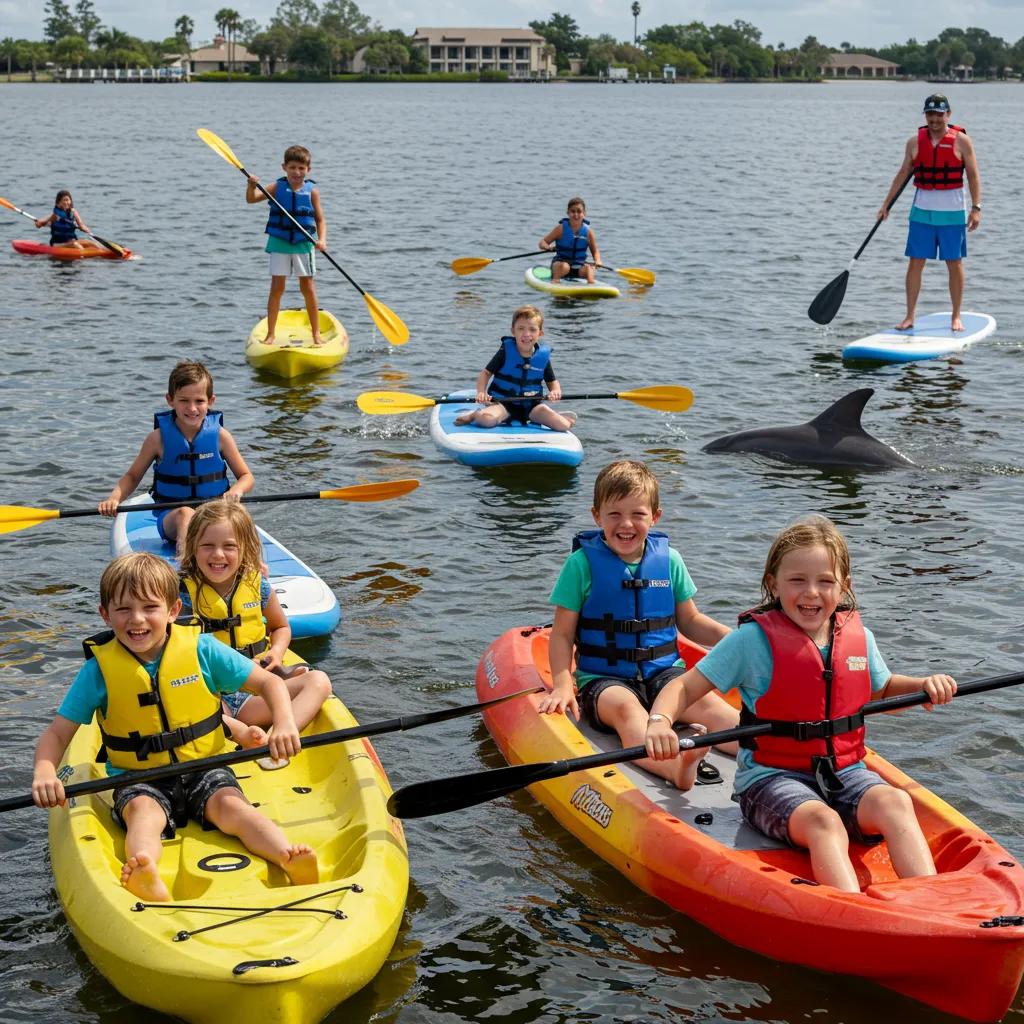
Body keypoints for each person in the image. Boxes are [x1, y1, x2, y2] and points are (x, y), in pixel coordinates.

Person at [645, 515, 957, 892]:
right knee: (824, 824)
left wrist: (924, 685)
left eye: (825, 581)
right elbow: (683, 688)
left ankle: (930, 901)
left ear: (844, 588)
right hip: (771, 779)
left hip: (846, 772)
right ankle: (851, 913)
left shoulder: (858, 637)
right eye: (797, 581)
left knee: (895, 802)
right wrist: (660, 722)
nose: (811, 593)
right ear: (772, 584)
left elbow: (883, 691)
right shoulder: (750, 642)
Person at [31, 552, 318, 902]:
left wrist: (285, 723)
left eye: (149, 608)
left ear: (172, 610)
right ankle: (145, 869)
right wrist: (45, 772)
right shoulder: (97, 673)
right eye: (123, 610)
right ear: (105, 615)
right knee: (142, 815)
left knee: (234, 808)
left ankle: (286, 854)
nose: (137, 620)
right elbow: (59, 733)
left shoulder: (203, 650)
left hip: (203, 768)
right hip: (138, 779)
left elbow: (270, 684)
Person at [539, 460, 739, 790]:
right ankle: (677, 768)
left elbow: (690, 620)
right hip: (604, 681)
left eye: (638, 514)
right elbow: (561, 635)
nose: (626, 524)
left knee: (710, 705)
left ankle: (771, 752)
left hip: (665, 673)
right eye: (614, 514)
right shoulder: (580, 565)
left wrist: (732, 639)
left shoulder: (669, 561)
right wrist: (562, 684)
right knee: (628, 711)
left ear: (655, 517)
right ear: (596, 516)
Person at [178, 500, 332, 753]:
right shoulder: (180, 593)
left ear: (244, 548)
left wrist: (277, 652)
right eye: (208, 546)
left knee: (319, 681)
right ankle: (238, 731)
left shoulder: (257, 585)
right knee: (191, 709)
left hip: (256, 691)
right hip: (210, 693)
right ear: (193, 547)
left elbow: (280, 627)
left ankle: (277, 738)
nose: (218, 555)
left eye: (229, 546)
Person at [98, 360, 254, 560]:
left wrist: (236, 490)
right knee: (185, 513)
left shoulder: (220, 436)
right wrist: (114, 499)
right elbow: (133, 475)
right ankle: (185, 562)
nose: (192, 408)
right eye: (184, 400)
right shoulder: (157, 439)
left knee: (240, 513)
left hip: (214, 511)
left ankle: (256, 567)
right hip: (172, 516)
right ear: (170, 400)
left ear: (211, 401)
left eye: (199, 401)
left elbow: (246, 476)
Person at [877, 94, 981, 333]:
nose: (934, 119)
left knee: (954, 263)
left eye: (939, 114)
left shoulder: (962, 141)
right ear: (925, 115)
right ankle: (909, 316)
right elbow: (903, 173)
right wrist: (886, 205)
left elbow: (974, 176)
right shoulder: (914, 142)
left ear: (948, 114)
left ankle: (956, 316)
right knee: (915, 262)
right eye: (930, 114)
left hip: (952, 213)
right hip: (922, 212)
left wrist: (976, 208)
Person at [246, 144, 327, 346]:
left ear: (308, 169)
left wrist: (322, 240)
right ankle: (271, 334)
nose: (297, 172)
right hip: (280, 242)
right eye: (292, 167)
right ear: (284, 167)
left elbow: (320, 219)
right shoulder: (276, 187)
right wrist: (251, 185)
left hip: (303, 244)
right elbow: (251, 200)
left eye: (301, 168)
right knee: (276, 288)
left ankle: (316, 333)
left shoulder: (312, 192)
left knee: (307, 288)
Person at [454, 304, 576, 432]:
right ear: (513, 331)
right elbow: (485, 373)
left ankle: (558, 418)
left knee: (563, 426)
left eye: (532, 330)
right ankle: (474, 414)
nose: (526, 334)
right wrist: (481, 392)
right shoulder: (505, 351)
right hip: (503, 404)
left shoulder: (542, 357)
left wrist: (555, 391)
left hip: (532, 407)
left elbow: (552, 382)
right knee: (485, 420)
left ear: (540, 333)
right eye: (521, 328)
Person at [539, 197, 602, 284]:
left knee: (589, 268)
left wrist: (598, 260)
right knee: (564, 266)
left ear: (584, 214)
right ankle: (555, 282)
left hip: (579, 266)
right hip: (561, 265)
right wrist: (547, 247)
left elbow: (595, 251)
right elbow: (542, 243)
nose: (576, 214)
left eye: (579, 211)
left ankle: (591, 287)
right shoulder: (560, 229)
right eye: (573, 211)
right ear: (568, 213)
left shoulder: (588, 232)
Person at [34, 190, 102, 251]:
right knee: (76, 245)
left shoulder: (73, 212)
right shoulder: (55, 215)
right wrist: (41, 222)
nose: (66, 202)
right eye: (64, 200)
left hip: (72, 241)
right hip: (57, 244)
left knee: (92, 244)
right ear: (58, 203)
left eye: (68, 200)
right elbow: (39, 224)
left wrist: (87, 230)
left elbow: (81, 225)